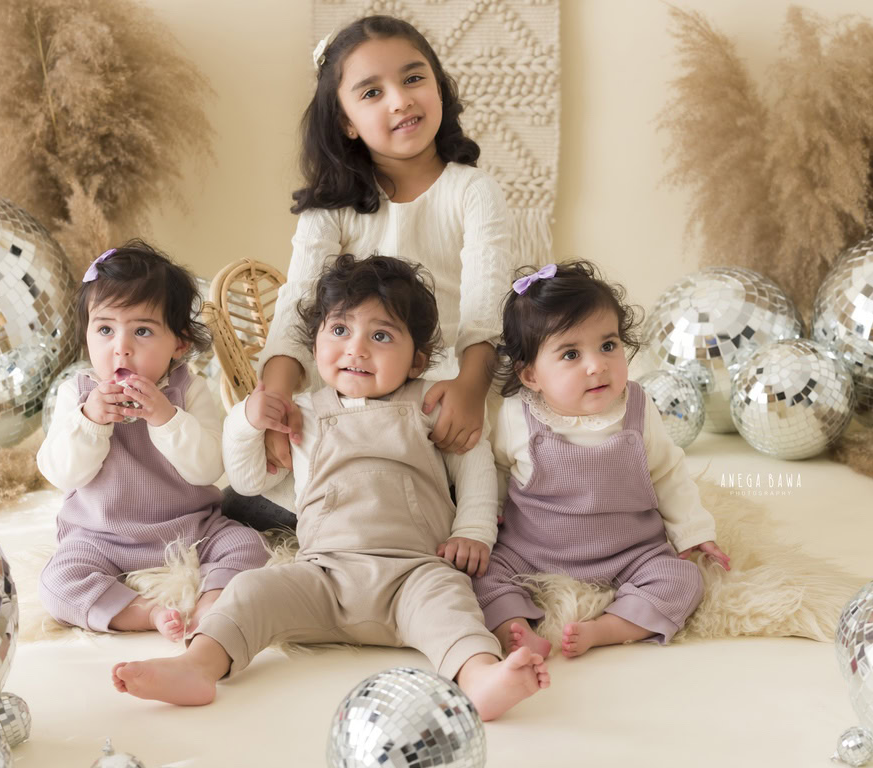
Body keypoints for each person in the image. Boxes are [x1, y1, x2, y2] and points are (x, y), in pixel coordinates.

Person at [112, 255, 549, 720]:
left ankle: (480, 677)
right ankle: (198, 665)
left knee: (454, 607)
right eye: (340, 330)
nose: (356, 349)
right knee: (251, 591)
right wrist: (247, 420)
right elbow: (248, 480)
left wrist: (474, 531)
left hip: (414, 574)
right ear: (316, 340)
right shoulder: (305, 411)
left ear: (418, 359)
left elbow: (473, 458)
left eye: (380, 336)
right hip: (323, 576)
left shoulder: (429, 401)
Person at [223, 15, 514, 531]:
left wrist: (470, 388)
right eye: (372, 92)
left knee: (503, 459)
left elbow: (484, 305)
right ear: (346, 122)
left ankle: (434, 508)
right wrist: (275, 399)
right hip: (353, 379)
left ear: (439, 88)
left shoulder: (473, 190)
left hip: (440, 379)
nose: (399, 100)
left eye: (413, 79)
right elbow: (297, 306)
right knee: (239, 501)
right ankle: (362, 509)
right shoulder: (331, 207)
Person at [475, 261, 732, 659]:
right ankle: (516, 628)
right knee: (480, 575)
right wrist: (487, 512)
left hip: (629, 550)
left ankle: (608, 628)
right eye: (571, 354)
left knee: (684, 580)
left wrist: (694, 532)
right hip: (533, 548)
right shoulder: (515, 416)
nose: (597, 365)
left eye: (608, 346)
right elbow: (494, 468)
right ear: (531, 376)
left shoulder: (636, 408)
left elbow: (668, 473)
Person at [38, 241, 267, 640]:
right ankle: (145, 612)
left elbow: (208, 468)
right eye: (105, 329)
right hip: (100, 537)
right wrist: (91, 421)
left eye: (142, 331)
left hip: (190, 530)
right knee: (57, 583)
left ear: (179, 343)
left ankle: (212, 601)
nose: (120, 347)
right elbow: (61, 473)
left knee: (249, 546)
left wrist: (166, 417)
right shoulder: (77, 394)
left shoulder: (187, 389)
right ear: (88, 334)